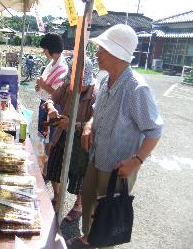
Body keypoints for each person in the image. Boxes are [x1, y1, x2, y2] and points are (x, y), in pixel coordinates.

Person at [67, 24, 164, 248]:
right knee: (90, 201)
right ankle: (88, 239)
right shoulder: (104, 80)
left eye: (102, 49)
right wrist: (90, 125)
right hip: (97, 157)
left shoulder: (136, 88)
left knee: (109, 213)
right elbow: (96, 112)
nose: (97, 53)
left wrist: (136, 161)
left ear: (118, 54)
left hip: (119, 167)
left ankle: (101, 243)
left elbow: (155, 130)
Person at [44, 58, 97, 213]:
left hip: (80, 142)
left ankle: (78, 205)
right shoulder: (67, 86)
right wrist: (51, 108)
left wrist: (73, 125)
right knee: (54, 169)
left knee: (78, 176)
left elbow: (96, 124)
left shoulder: (95, 94)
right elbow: (50, 99)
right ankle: (57, 196)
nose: (73, 87)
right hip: (61, 136)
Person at [35, 33, 68, 140]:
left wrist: (42, 85)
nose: (44, 52)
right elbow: (46, 81)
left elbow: (57, 93)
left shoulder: (62, 68)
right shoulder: (53, 62)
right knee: (43, 133)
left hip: (53, 106)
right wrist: (39, 86)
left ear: (50, 49)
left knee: (50, 136)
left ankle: (46, 154)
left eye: (44, 50)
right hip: (44, 101)